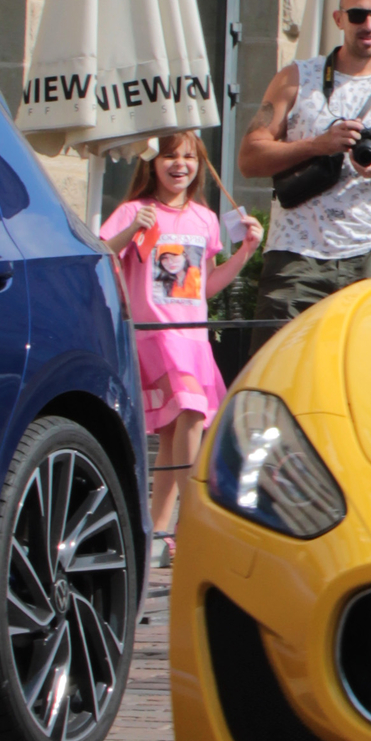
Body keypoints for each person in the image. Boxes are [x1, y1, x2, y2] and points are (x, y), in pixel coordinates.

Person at [99, 129, 261, 566]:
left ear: (199, 165)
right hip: (155, 336)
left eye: (190, 157)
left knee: (176, 432)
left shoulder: (205, 219)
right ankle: (194, 522)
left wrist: (245, 251)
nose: (180, 165)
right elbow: (99, 254)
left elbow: (205, 287)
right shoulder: (136, 210)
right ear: (152, 163)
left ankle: (157, 531)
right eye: (170, 156)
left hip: (193, 336)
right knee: (190, 413)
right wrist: (132, 228)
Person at [241, 0, 371, 314]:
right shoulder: (296, 78)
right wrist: (317, 145)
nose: (369, 25)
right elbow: (249, 159)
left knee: (357, 367)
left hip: (369, 257)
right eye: (357, 15)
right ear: (338, 19)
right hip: (296, 255)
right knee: (284, 364)